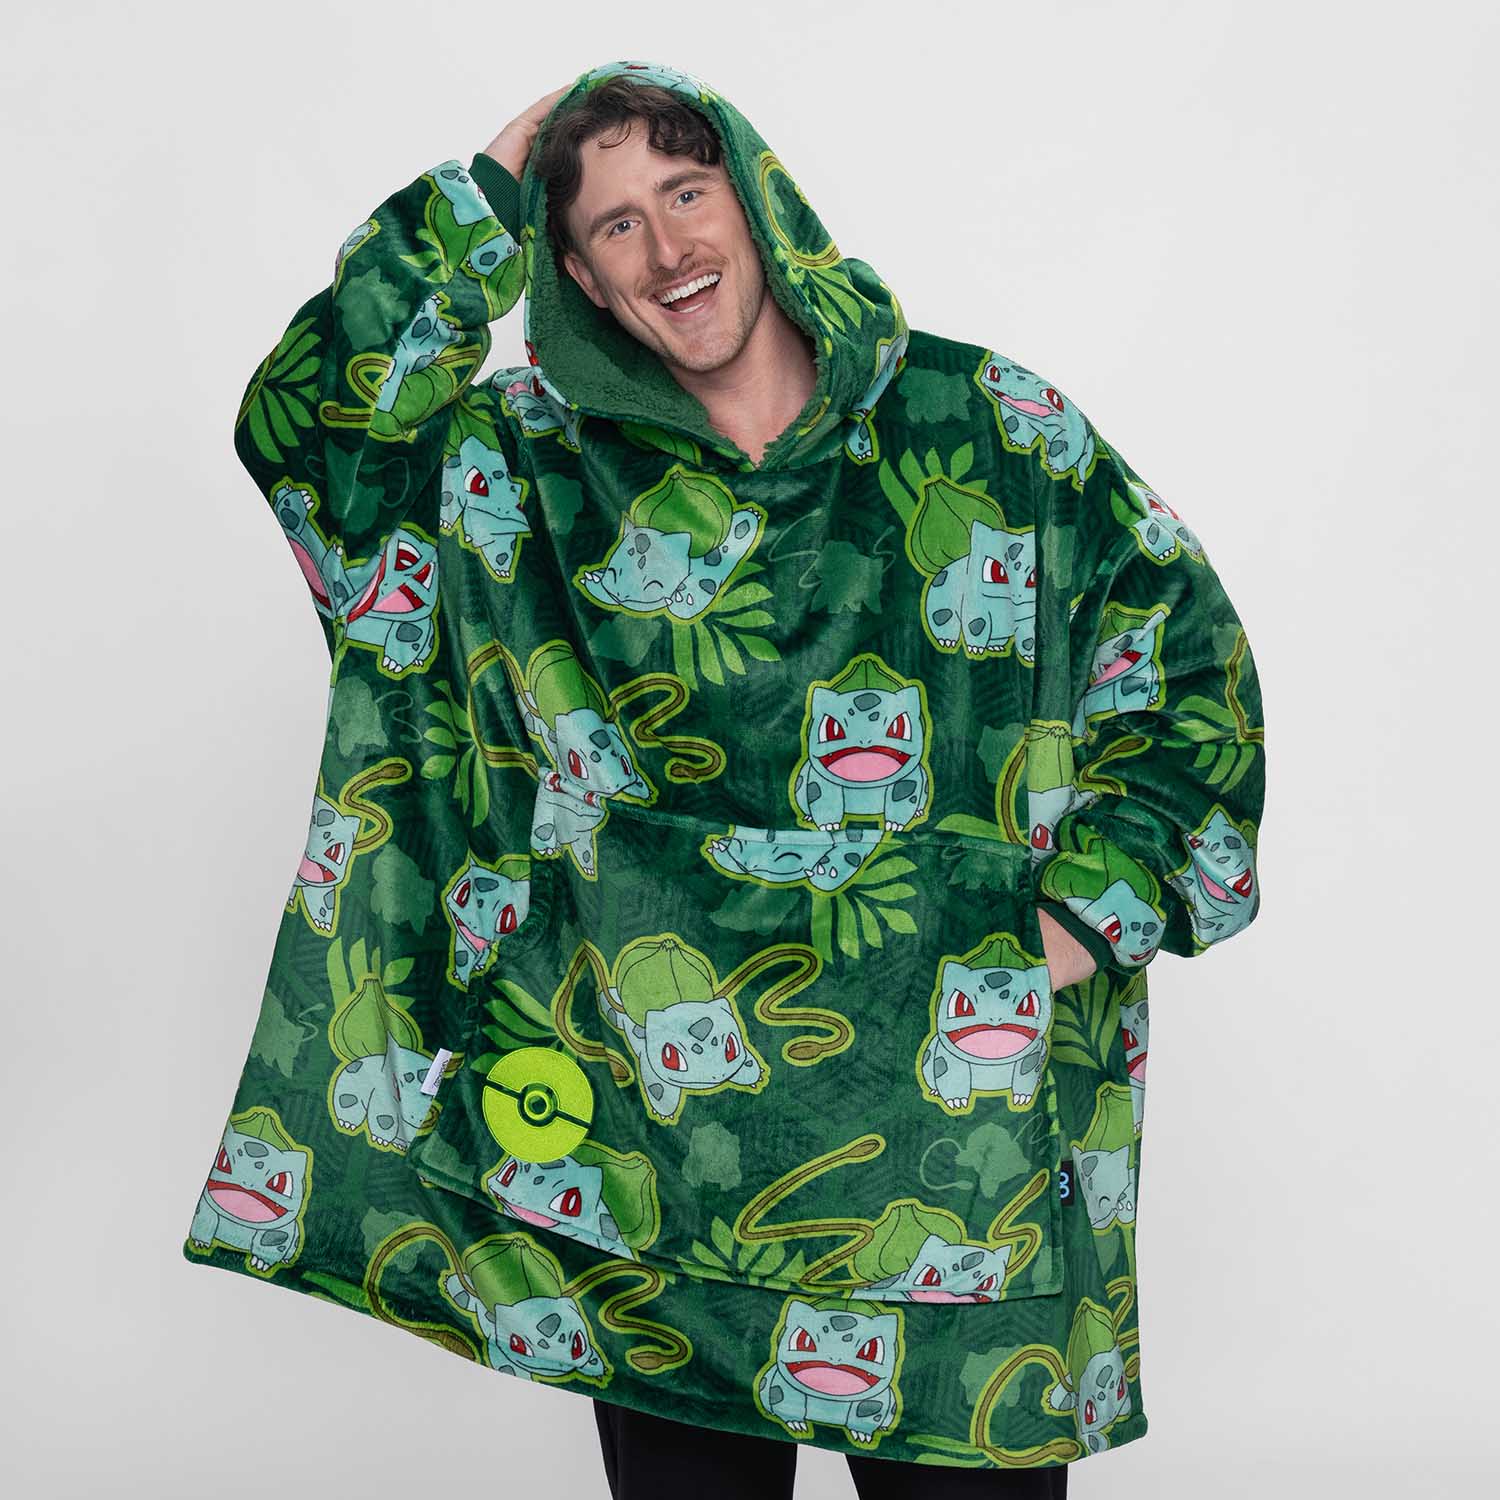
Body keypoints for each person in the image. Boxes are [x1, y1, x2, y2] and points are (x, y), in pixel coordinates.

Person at [185, 59, 1264, 1500]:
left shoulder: (988, 429)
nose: (668, 250)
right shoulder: (516, 468)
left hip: (965, 1165)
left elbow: (1184, 665)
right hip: (653, 1179)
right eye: (615, 223)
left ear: (757, 201)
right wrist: (480, 197)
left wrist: (1079, 919)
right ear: (575, 274)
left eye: (687, 193)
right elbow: (309, 431)